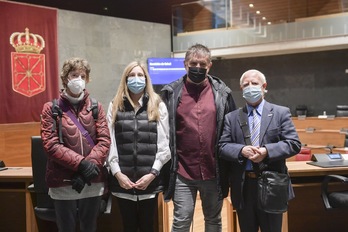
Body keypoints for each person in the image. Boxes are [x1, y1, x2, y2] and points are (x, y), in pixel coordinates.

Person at [161, 43, 236, 232]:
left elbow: (232, 129)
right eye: (194, 63)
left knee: (213, 220)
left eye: (203, 64)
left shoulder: (223, 93)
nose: (198, 68)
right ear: (185, 64)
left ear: (209, 66)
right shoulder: (170, 93)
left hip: (214, 170)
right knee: (181, 220)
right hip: (182, 171)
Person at [218, 69, 302, 232]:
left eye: (254, 83)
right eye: (246, 85)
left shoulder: (280, 113)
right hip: (244, 187)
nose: (250, 87)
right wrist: (241, 150)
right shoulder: (232, 117)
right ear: (241, 89)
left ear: (264, 86)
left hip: (271, 185)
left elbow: (293, 143)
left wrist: (266, 151)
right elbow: (222, 146)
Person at [41, 57, 111, 232]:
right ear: (65, 78)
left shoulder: (96, 107)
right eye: (74, 75)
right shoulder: (51, 108)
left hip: (91, 181)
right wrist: (82, 164)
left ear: (87, 79)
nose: (78, 79)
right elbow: (50, 145)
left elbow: (104, 141)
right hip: (63, 181)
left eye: (82, 75)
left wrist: (86, 171)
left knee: (90, 227)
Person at [107, 61, 171, 232]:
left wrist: (152, 173)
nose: (136, 79)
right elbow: (109, 143)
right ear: (125, 79)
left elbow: (165, 146)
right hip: (123, 181)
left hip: (149, 181)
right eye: (132, 75)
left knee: (148, 226)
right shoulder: (115, 105)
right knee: (127, 226)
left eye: (140, 75)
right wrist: (118, 174)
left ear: (146, 79)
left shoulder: (157, 105)